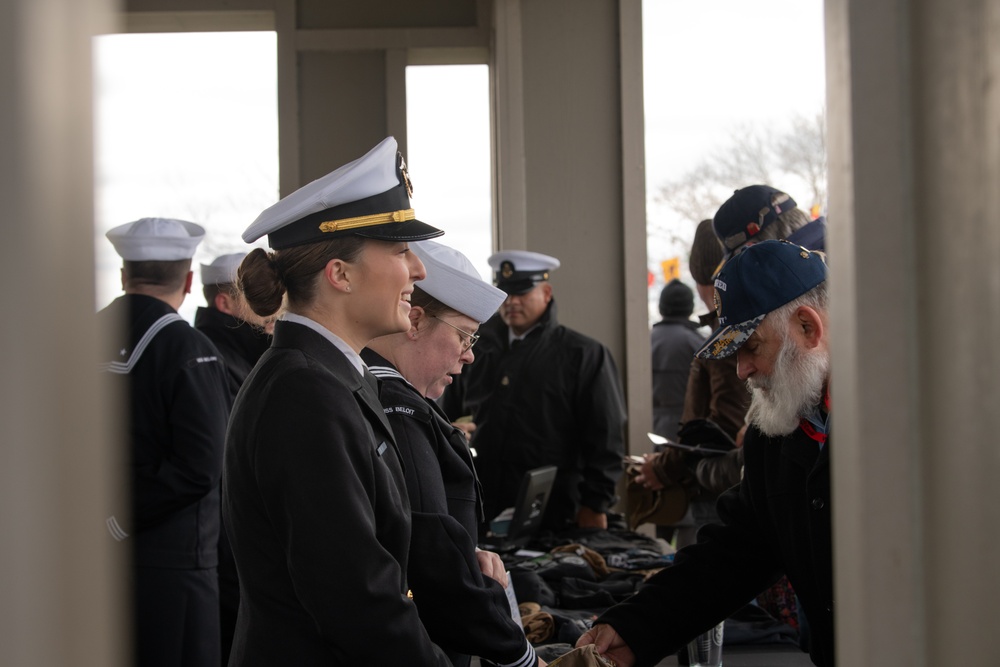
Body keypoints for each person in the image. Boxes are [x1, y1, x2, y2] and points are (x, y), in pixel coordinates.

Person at [222, 137, 453, 665]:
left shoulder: (324, 377)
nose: (417, 269)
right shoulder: (304, 394)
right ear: (340, 274)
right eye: (398, 250)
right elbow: (358, 599)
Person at [577, 239, 834, 667]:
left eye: (751, 347)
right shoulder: (775, 432)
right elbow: (737, 551)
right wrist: (635, 627)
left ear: (808, 328)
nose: (742, 371)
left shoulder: (908, 426)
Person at [362, 240, 543, 667]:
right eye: (463, 335)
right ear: (415, 322)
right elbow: (430, 567)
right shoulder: (399, 410)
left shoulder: (379, 392)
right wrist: (521, 656)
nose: (469, 354)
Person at [98, 217, 231, 667]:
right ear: (189, 280)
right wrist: (120, 516)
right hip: (174, 568)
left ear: (123, 276)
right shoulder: (189, 347)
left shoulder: (75, 338)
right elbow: (201, 465)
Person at [441, 250, 627, 534]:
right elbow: (444, 412)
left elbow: (605, 437)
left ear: (547, 292)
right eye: (505, 293)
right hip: (481, 504)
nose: (512, 302)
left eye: (522, 293)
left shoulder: (582, 355)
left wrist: (595, 504)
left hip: (554, 510)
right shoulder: (475, 349)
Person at [194, 252, 275, 666]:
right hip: (221, 539)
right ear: (225, 304)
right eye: (255, 297)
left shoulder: (240, 351)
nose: (270, 309)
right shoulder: (215, 357)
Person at [650, 278, 704, 440]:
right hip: (687, 429)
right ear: (690, 307)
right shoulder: (697, 343)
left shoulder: (643, 341)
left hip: (647, 424)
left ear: (661, 308)